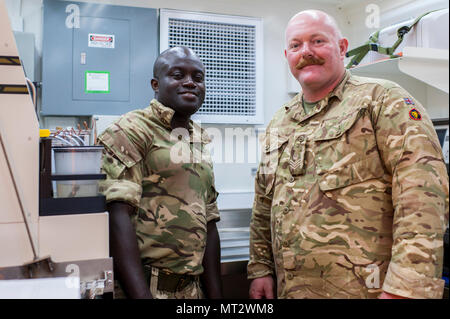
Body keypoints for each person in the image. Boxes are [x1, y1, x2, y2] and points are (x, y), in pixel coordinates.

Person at [248, 10, 449, 299]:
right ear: (287, 54)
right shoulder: (280, 121)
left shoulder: (383, 102)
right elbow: (264, 204)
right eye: (296, 45)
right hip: (292, 290)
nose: (306, 52)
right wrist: (260, 269)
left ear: (342, 48)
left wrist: (405, 289)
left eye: (318, 41)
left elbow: (423, 196)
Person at [98, 46, 223, 299]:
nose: (190, 83)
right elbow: (117, 217)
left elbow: (209, 221)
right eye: (178, 75)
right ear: (156, 84)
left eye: (198, 78)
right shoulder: (132, 130)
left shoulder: (198, 138)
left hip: (191, 290)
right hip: (145, 287)